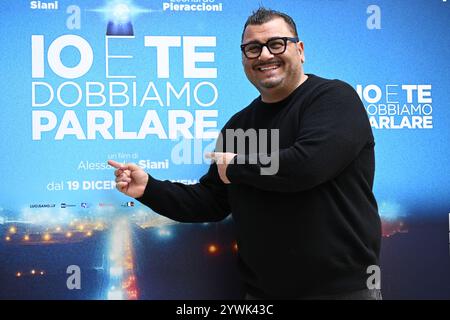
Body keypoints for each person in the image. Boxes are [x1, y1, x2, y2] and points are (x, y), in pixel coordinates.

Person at [108, 7, 382, 300]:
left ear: (300, 50)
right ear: (243, 59)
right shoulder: (239, 125)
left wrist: (237, 167)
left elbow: (308, 166)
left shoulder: (333, 98)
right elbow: (211, 201)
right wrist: (148, 188)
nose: (264, 55)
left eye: (276, 44)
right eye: (253, 49)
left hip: (341, 293)